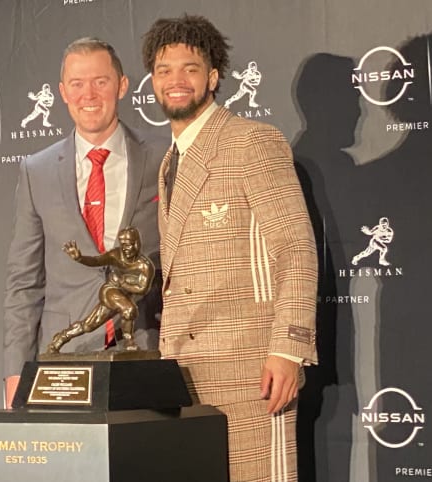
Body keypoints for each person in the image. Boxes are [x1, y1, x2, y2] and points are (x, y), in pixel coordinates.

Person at [142, 15, 318, 482]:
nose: (176, 81)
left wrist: (287, 350)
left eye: (190, 68)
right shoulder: (168, 162)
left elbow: (296, 249)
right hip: (183, 374)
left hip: (252, 371)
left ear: (213, 77)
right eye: (164, 70)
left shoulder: (250, 141)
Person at [3, 37, 167, 408]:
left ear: (122, 86)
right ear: (62, 92)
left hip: (145, 347)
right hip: (64, 360)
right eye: (77, 84)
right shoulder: (37, 171)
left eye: (100, 81)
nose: (88, 94)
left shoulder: (162, 156)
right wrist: (16, 372)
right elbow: (24, 281)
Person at [47, 227, 155, 353]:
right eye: (122, 245)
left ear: (136, 244)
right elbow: (97, 260)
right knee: (129, 309)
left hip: (122, 296)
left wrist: (122, 282)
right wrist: (80, 258)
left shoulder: (145, 266)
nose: (125, 249)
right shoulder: (116, 255)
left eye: (128, 245)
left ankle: (60, 338)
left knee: (89, 325)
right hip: (110, 291)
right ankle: (129, 340)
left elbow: (142, 289)